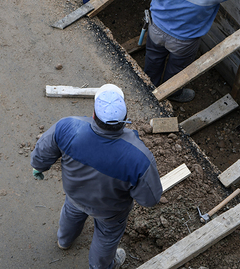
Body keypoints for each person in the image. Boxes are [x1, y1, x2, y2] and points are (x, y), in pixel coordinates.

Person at [30, 84, 162, 269]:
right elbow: (150, 199)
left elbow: (42, 153)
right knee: (107, 236)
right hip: (110, 210)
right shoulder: (140, 157)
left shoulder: (68, 127)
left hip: (75, 194)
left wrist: (38, 167)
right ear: (125, 119)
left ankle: (64, 240)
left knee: (72, 212)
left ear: (93, 114)